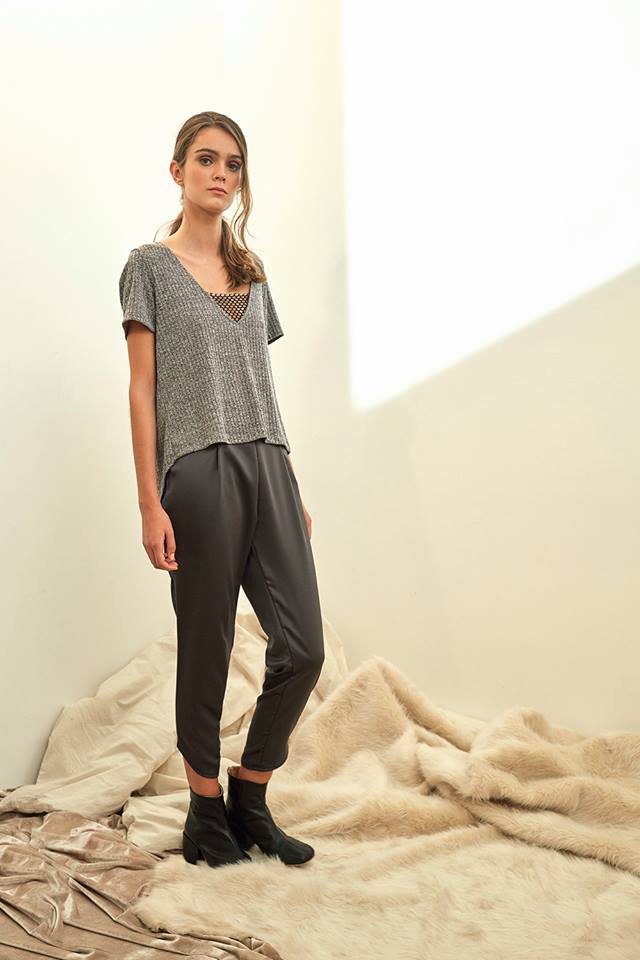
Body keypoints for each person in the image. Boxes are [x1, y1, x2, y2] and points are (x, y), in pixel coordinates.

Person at [118, 111, 325, 869]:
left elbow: (258, 383)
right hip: (198, 472)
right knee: (206, 648)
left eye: (233, 164)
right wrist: (150, 502)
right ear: (178, 171)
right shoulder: (148, 266)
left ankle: (251, 795)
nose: (220, 174)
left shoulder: (251, 271)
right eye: (206, 160)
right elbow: (142, 390)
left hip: (268, 464)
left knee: (303, 649)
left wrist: (289, 479)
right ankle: (204, 811)